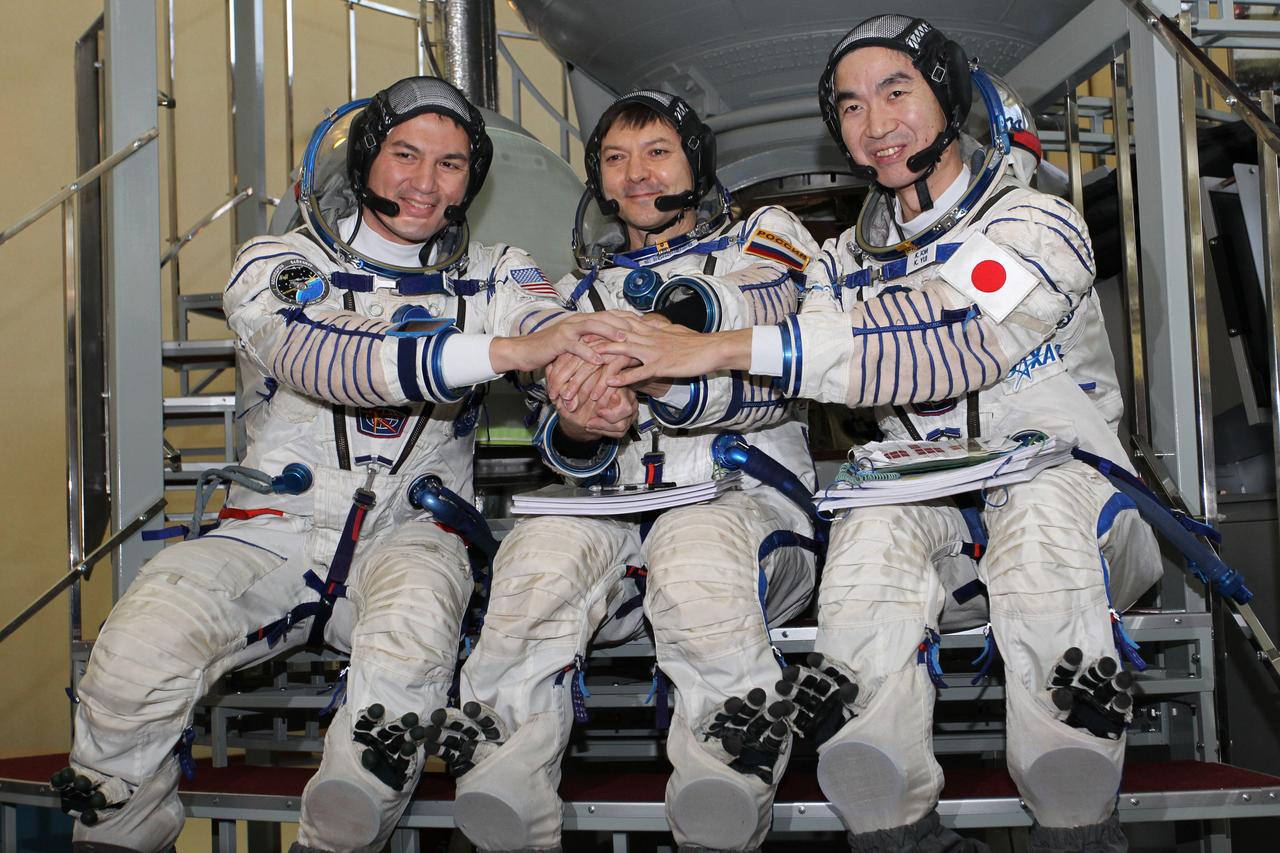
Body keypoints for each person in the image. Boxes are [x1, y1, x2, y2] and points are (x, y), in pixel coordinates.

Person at [592, 17, 1162, 853]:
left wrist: (717, 346)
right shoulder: (842, 263)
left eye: (897, 93)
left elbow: (950, 343)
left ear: (949, 99)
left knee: (1040, 518)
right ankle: (891, 818)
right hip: (940, 518)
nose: (876, 123)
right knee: (866, 530)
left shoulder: (1037, 224)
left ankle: (1074, 816)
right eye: (852, 106)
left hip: (1080, 513)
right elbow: (800, 346)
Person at [53, 76, 629, 853]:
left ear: (472, 179)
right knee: (138, 649)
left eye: (451, 164)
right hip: (272, 531)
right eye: (406, 155)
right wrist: (505, 351)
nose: (426, 182)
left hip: (414, 534)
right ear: (366, 159)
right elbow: (324, 355)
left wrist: (583, 399)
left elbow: (549, 332)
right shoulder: (280, 262)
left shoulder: (497, 272)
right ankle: (118, 831)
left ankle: (337, 836)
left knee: (400, 678)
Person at [427, 89, 821, 853]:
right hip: (618, 524)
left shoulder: (764, 238)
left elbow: (775, 312)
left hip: (749, 515)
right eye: (616, 158)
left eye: (657, 153)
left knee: (694, 550)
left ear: (695, 164)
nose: (637, 173)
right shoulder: (576, 301)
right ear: (600, 180)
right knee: (535, 557)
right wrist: (585, 418)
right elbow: (557, 424)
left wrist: (663, 350)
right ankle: (504, 787)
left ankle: (723, 787)